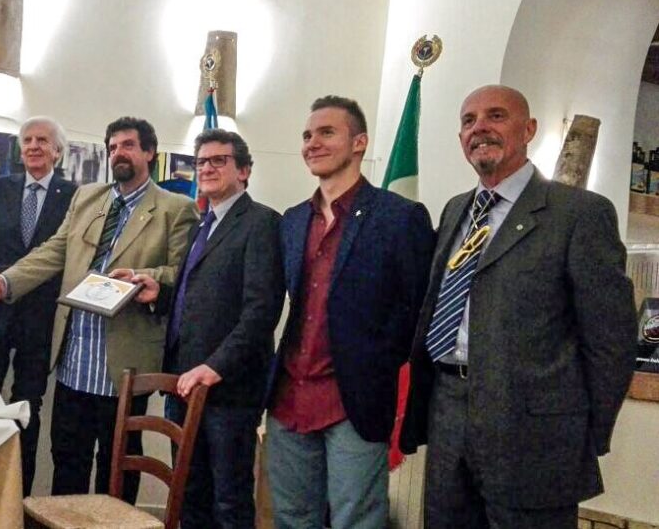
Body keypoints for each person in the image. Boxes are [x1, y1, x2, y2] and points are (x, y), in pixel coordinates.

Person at [400, 85, 637, 528]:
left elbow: (611, 340)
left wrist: (582, 432)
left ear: (529, 129)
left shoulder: (578, 213)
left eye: (496, 116)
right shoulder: (455, 210)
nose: (480, 128)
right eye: (468, 121)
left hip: (535, 432)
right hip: (448, 409)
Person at [0, 116, 199, 503]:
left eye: (128, 145)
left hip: (124, 367)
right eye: (112, 147)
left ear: (149, 152)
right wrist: (5, 282)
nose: (118, 153)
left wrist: (147, 277)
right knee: (67, 463)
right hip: (75, 362)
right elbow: (53, 252)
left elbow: (185, 273)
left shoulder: (175, 209)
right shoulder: (87, 198)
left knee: (117, 468)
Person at [265, 95, 435, 528]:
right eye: (307, 135)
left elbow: (417, 312)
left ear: (359, 142)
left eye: (327, 132)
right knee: (292, 519)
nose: (312, 143)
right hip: (289, 398)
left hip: (354, 402)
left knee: (356, 522)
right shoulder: (292, 220)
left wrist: (377, 364)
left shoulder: (400, 217)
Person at [124, 129, 284, 528]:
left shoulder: (261, 223)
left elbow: (261, 311)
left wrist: (215, 367)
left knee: (228, 501)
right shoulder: (202, 223)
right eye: (201, 162)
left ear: (244, 171)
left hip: (228, 390)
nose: (207, 168)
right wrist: (159, 294)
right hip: (183, 383)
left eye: (218, 160)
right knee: (189, 493)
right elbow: (200, 297)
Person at [0, 116, 77, 495]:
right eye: (27, 140)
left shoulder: (75, 196)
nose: (33, 146)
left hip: (40, 321)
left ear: (57, 151)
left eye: (42, 140)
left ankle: (18, 498)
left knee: (28, 409)